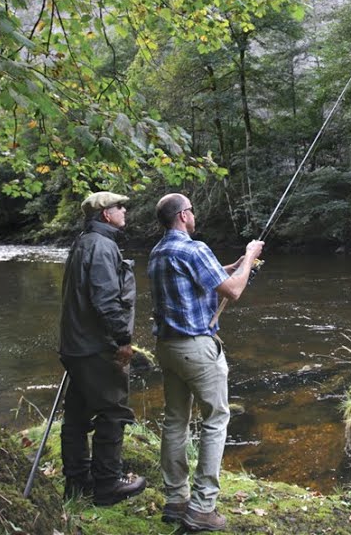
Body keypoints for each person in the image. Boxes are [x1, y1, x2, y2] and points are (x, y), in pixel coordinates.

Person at [149, 193, 264, 531]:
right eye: (192, 211)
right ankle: (202, 507)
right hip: (197, 349)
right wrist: (250, 257)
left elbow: (209, 277)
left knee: (175, 421)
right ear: (184, 215)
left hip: (168, 348)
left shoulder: (157, 253)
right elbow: (233, 291)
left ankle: (176, 500)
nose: (194, 215)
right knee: (215, 420)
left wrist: (239, 263)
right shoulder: (194, 249)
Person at [57, 191, 147, 504]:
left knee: (77, 417)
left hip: (76, 346)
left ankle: (78, 482)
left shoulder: (83, 243)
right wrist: (123, 341)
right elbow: (106, 300)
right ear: (106, 214)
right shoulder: (101, 245)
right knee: (113, 412)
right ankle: (109, 485)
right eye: (120, 207)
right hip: (95, 348)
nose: (125, 211)